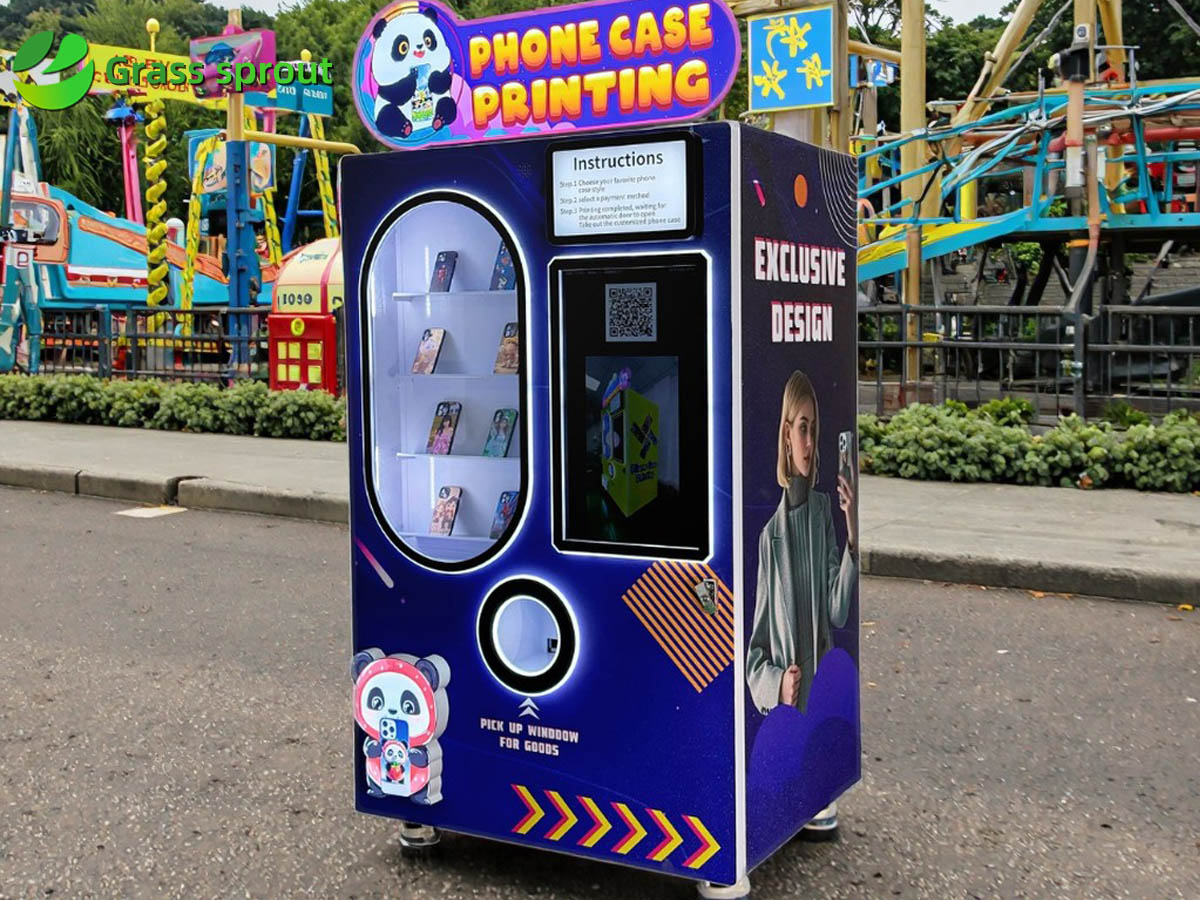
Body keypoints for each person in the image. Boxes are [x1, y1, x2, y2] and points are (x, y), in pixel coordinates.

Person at [747, 370, 857, 718]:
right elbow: (755, 657)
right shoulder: (770, 538)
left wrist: (852, 528)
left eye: (814, 429)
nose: (809, 443)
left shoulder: (823, 511)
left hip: (824, 703)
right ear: (787, 434)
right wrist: (778, 684)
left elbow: (837, 613)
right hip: (791, 715)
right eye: (802, 428)